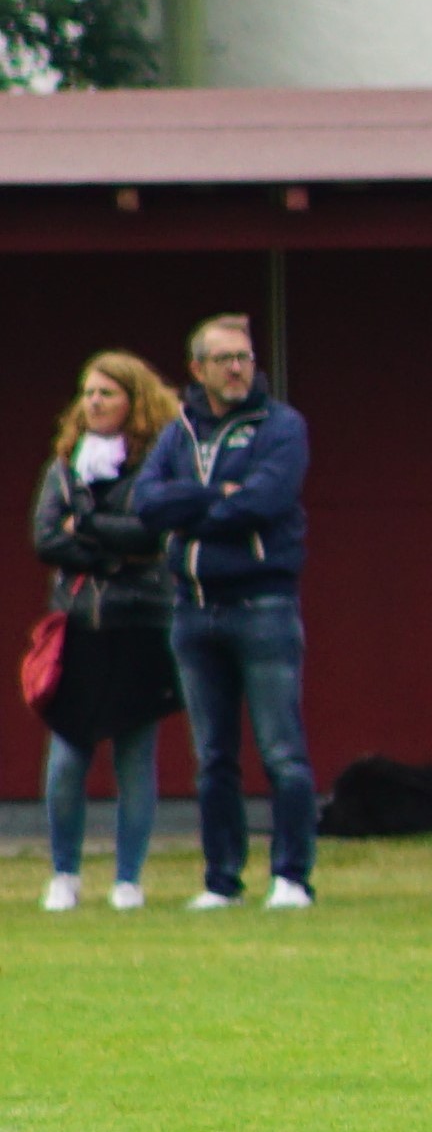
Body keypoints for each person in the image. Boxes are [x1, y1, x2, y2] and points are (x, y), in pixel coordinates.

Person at [135, 314, 316, 910]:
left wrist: (193, 509)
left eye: (244, 356)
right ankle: (221, 880)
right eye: (224, 359)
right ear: (197, 370)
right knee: (212, 757)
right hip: (193, 611)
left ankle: (291, 877)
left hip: (262, 606)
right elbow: (146, 503)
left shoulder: (280, 425)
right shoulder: (179, 431)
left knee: (282, 751)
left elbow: (266, 499)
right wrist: (215, 497)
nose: (238, 368)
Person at [34, 353, 181, 910]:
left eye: (107, 393)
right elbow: (46, 537)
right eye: (87, 392)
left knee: (135, 754)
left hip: (140, 621)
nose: (93, 402)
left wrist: (90, 528)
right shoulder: (64, 465)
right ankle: (64, 873)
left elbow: (149, 533)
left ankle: (127, 880)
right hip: (79, 624)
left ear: (134, 402)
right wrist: (109, 556)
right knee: (68, 755)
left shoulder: (155, 466)